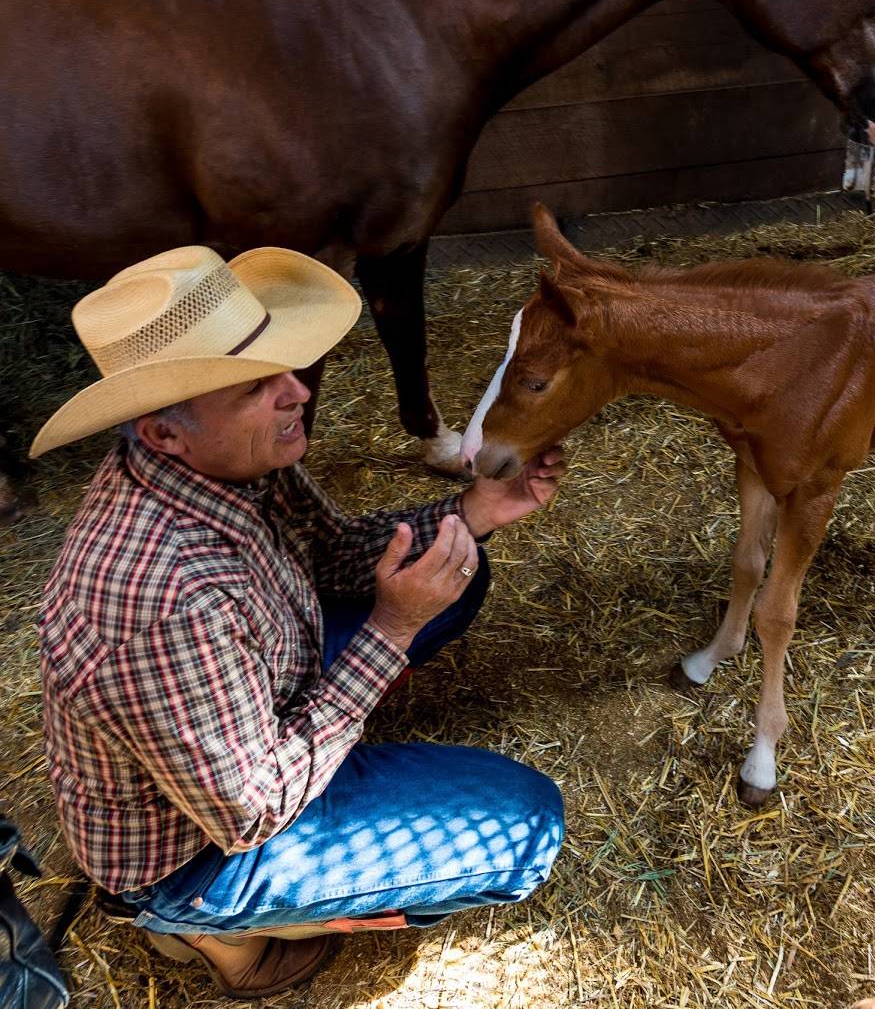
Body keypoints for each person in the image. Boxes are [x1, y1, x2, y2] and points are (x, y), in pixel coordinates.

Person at [30, 243, 565, 999]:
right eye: (254, 385)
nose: (296, 392)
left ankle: (323, 762)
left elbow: (338, 553)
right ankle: (207, 925)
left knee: (458, 566)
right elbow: (251, 811)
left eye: (284, 365)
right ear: (162, 432)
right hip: (200, 846)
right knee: (525, 833)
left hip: (253, 710)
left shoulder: (236, 455)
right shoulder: (157, 594)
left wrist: (475, 511)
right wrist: (388, 632)